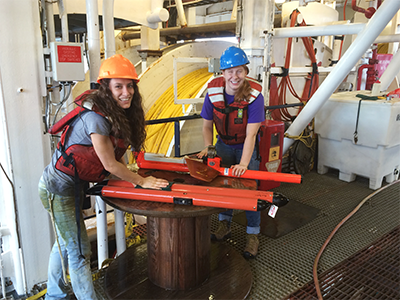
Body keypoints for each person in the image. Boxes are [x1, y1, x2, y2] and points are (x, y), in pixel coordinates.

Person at [38, 54, 169, 300]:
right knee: (78, 252)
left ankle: (53, 295)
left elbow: (115, 156)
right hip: (56, 188)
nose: (126, 92)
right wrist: (140, 181)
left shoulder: (113, 113)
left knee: (65, 243)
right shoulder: (95, 119)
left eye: (130, 86)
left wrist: (131, 174)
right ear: (106, 89)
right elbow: (108, 163)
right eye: (118, 86)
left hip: (72, 184)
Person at [197, 46, 265, 259]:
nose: (234, 76)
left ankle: (252, 235)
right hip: (223, 144)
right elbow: (206, 126)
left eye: (239, 71)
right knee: (223, 188)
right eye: (230, 71)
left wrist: (244, 164)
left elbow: (251, 134)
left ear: (245, 72)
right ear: (223, 73)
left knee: (249, 190)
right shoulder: (213, 93)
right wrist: (210, 147)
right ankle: (224, 224)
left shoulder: (255, 97)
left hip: (246, 146)